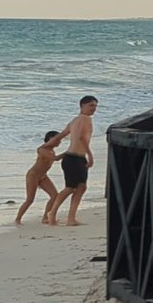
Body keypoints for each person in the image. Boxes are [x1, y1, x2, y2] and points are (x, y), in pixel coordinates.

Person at [48, 95, 101, 226]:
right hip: (75, 158)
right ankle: (52, 213)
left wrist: (45, 146)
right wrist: (90, 155)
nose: (94, 108)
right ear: (82, 106)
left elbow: (60, 136)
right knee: (71, 188)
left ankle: (71, 218)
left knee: (81, 187)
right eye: (91, 105)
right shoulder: (85, 119)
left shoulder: (74, 120)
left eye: (95, 106)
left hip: (72, 158)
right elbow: (80, 139)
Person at [15, 130, 66, 224]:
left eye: (60, 139)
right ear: (49, 140)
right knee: (30, 200)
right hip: (33, 176)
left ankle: (45, 217)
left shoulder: (52, 151)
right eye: (56, 139)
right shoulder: (42, 149)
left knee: (54, 195)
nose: (59, 141)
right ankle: (18, 219)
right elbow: (56, 159)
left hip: (43, 176)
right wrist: (69, 152)